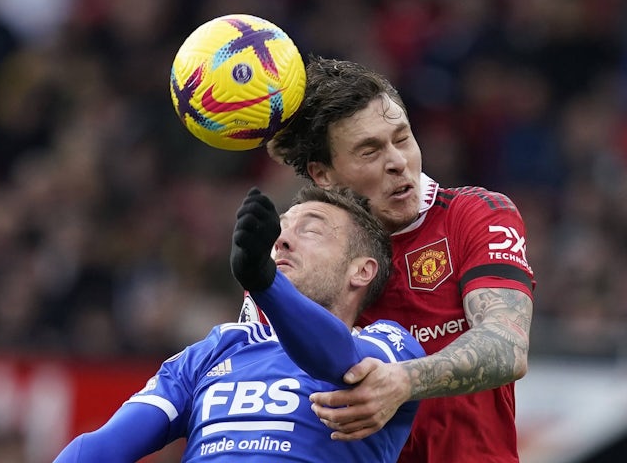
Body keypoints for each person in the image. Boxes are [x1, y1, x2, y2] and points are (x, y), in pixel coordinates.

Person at [258, 55, 536, 462]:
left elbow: (506, 346)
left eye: (402, 138)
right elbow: (265, 381)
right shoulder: (293, 253)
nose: (398, 162)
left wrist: (403, 381)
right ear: (323, 175)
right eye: (369, 151)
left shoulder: (475, 215)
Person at [53, 185, 426, 462]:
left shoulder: (391, 344)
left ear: (361, 271)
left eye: (310, 230)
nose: (281, 241)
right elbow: (103, 446)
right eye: (279, 229)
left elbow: (341, 361)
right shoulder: (214, 350)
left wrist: (265, 282)